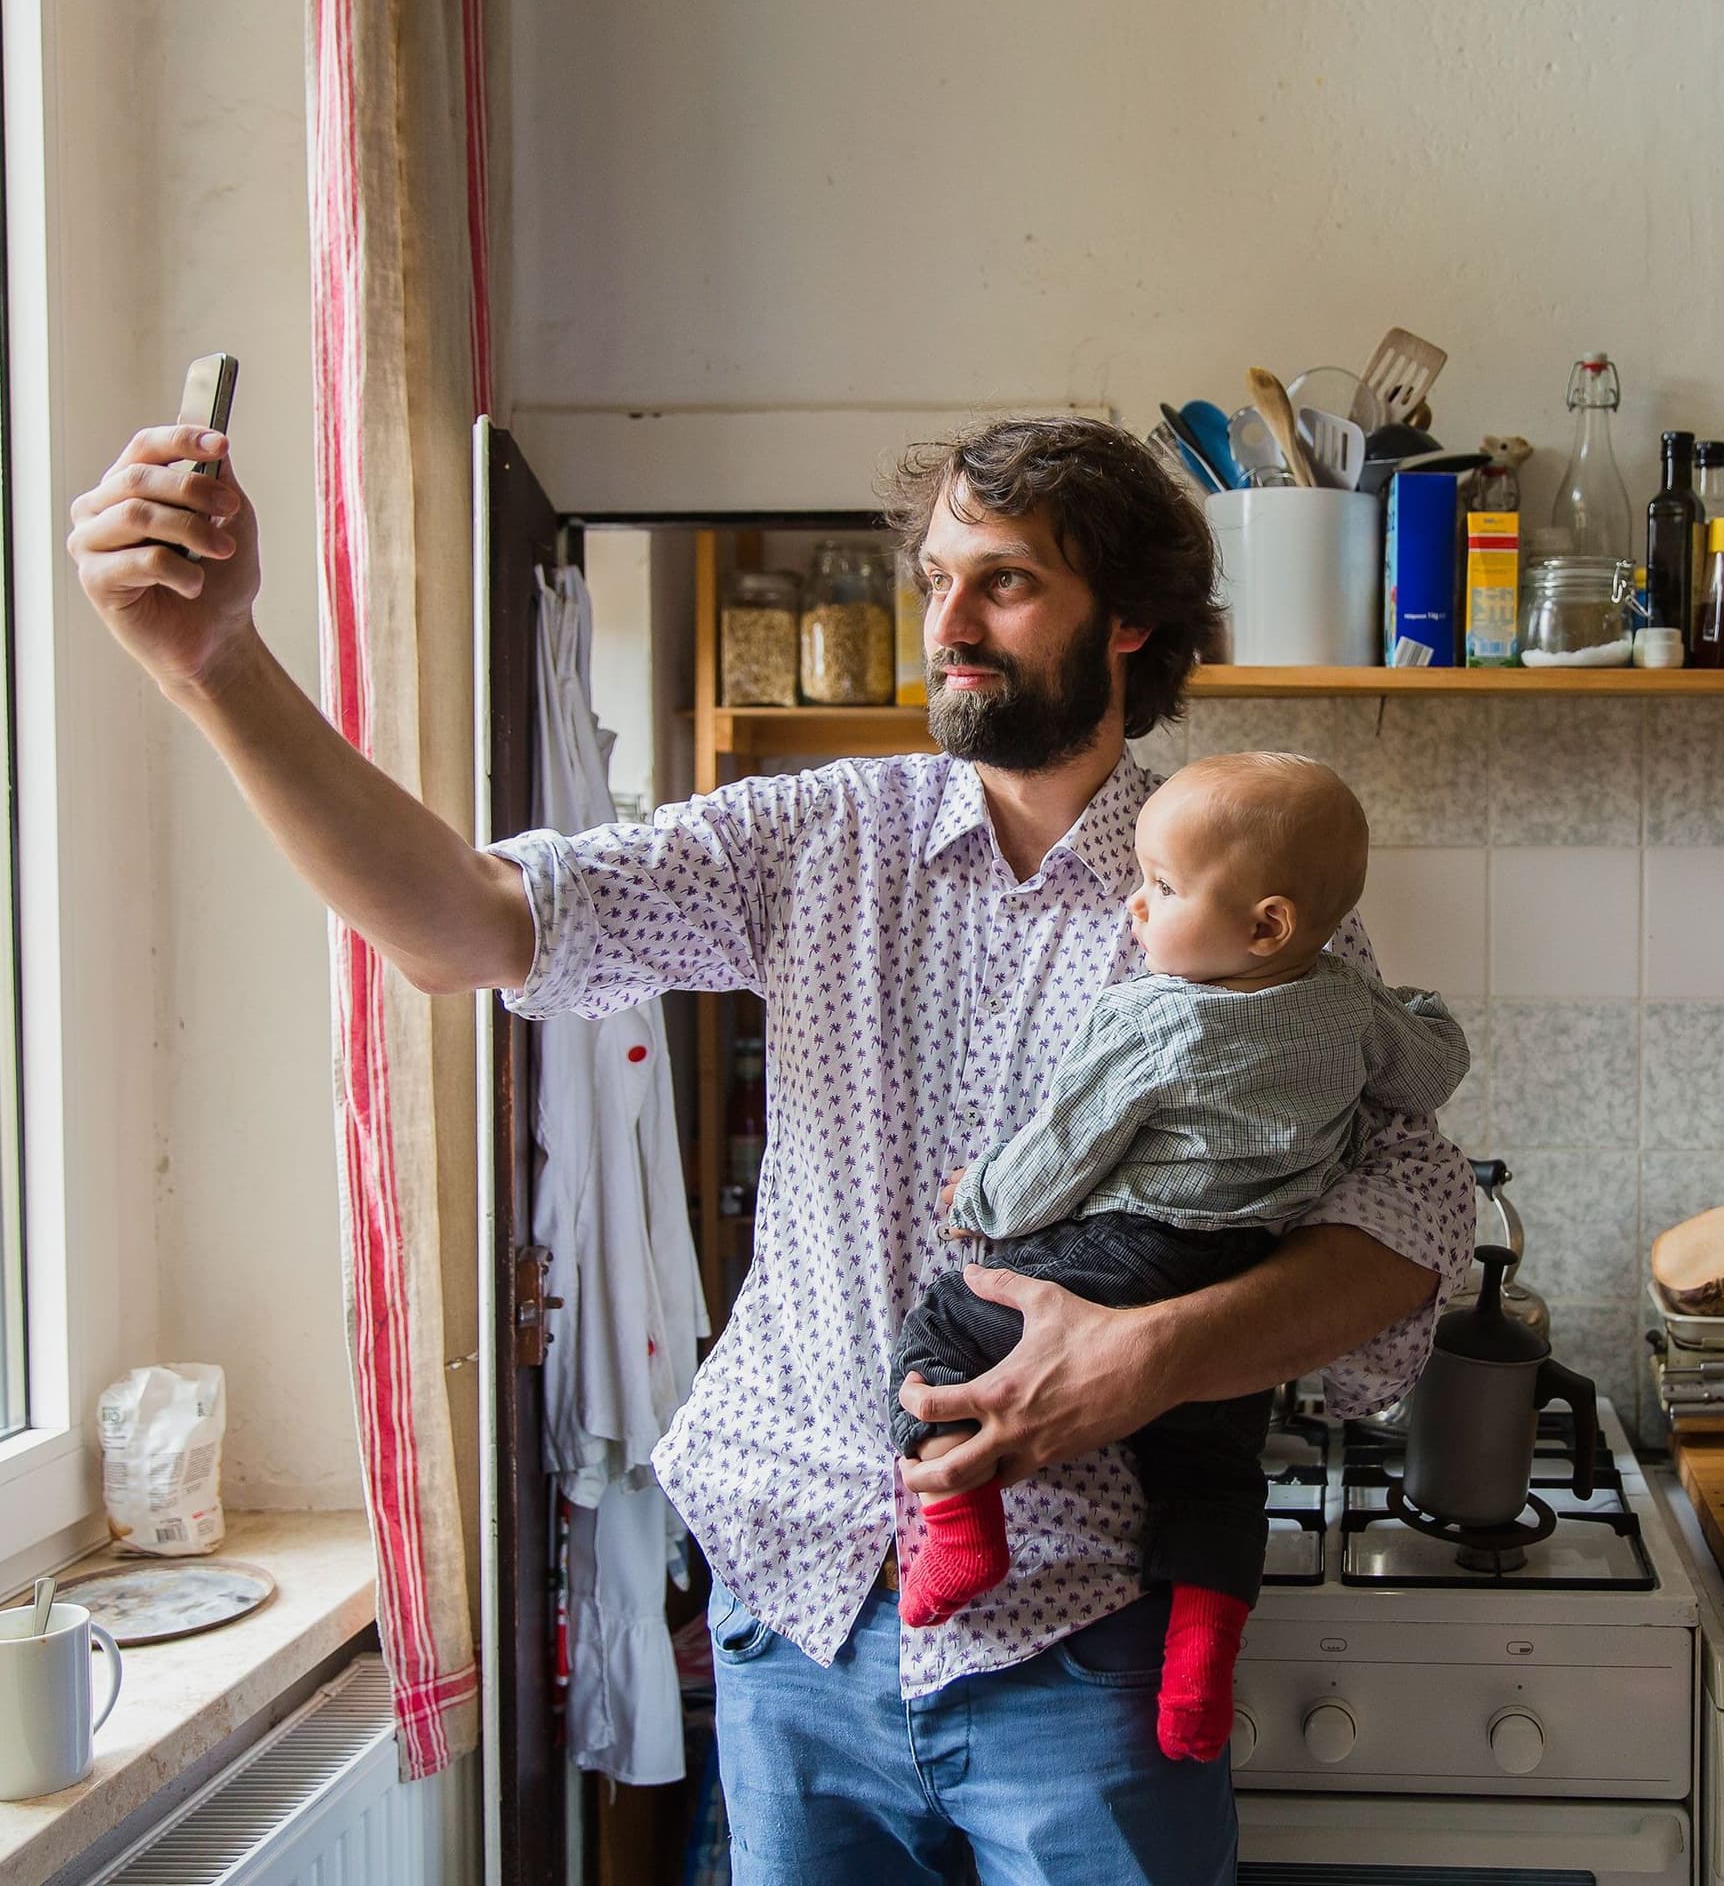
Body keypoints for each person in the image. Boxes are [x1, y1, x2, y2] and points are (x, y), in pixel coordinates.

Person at [67, 412, 1474, 1885]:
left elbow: (1416, 1206)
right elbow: (470, 923)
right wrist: (215, 666)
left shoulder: (1240, 883)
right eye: (933, 577)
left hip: (1090, 1649)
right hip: (799, 1631)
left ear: (1129, 622)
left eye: (1002, 583)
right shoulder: (819, 836)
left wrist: (1157, 1357)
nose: (946, 624)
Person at [891, 751, 1470, 1763]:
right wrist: (1419, 1017)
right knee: (1211, 1476)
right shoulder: (1349, 1003)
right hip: (1245, 1279)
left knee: (941, 1332)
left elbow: (1064, 1154)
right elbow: (1428, 1077)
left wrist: (976, 1200)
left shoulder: (1150, 1017)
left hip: (1130, 1251)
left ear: (1265, 925)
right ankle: (1198, 1676)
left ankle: (963, 1528)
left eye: (1160, 888)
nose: (1135, 907)